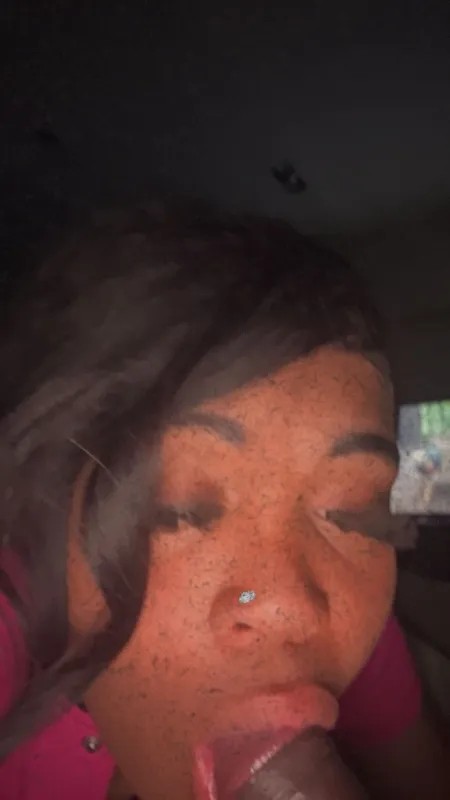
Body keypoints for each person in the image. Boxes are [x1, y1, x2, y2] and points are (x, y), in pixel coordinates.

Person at [0, 206, 448, 800]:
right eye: (179, 509)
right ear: (40, 511)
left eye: (350, 513)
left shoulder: (358, 619)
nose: (293, 609)